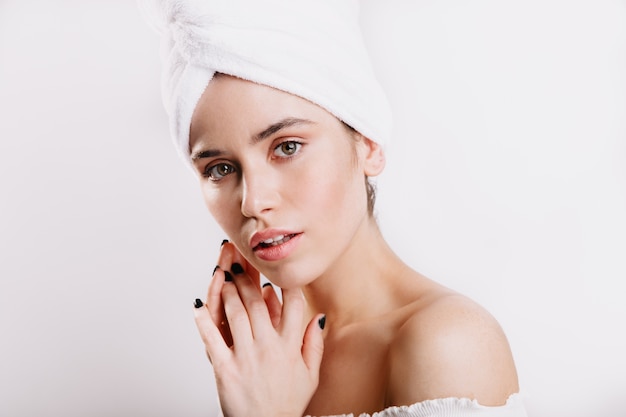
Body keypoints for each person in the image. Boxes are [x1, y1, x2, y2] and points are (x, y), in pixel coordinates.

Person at [140, 1, 527, 416]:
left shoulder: (449, 344)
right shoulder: (264, 357)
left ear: (368, 144)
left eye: (287, 147)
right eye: (219, 169)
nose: (253, 202)